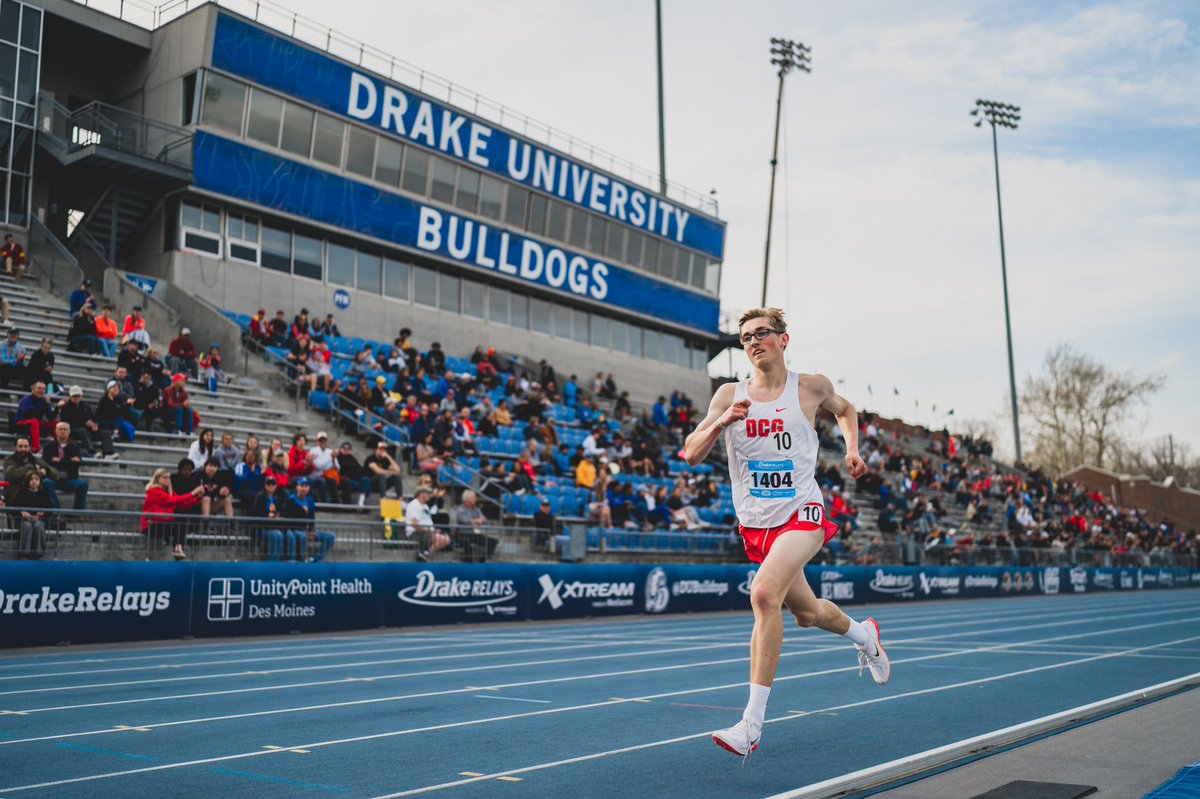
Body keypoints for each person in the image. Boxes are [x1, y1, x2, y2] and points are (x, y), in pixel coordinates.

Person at [682, 307, 889, 759]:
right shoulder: (728, 395)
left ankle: (751, 725)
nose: (753, 342)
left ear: (783, 338)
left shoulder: (809, 386)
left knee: (763, 594)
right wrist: (723, 422)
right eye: (745, 338)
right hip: (756, 523)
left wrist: (852, 449)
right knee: (808, 614)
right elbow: (691, 453)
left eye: (761, 333)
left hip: (802, 511)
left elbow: (847, 409)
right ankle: (864, 635)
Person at [140, 468, 203, 560]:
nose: (167, 480)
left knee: (182, 521)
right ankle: (175, 547)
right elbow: (171, 501)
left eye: (168, 478)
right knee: (178, 524)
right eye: (164, 477)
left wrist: (197, 498)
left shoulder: (170, 492)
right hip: (152, 525)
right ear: (157, 479)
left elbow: (184, 504)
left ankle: (177, 548)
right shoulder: (154, 491)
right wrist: (192, 493)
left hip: (164, 523)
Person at [281, 477, 336, 562]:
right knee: (301, 536)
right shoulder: (291, 500)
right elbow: (288, 518)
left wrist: (311, 531)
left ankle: (314, 560)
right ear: (297, 487)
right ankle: (301, 561)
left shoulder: (310, 501)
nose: (304, 488)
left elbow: (311, 518)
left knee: (330, 537)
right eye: (301, 486)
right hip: (295, 530)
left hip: (307, 530)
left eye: (306, 486)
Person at [60, 385, 116, 459]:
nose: (76, 397)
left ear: (81, 396)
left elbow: (92, 418)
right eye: (74, 396)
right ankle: (92, 452)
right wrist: (85, 422)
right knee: (83, 431)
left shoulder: (86, 406)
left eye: (78, 395)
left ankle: (108, 453)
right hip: (73, 430)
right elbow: (66, 423)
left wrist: (94, 424)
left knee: (105, 433)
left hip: (87, 429)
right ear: (70, 396)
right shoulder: (65, 407)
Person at [41, 422, 88, 510]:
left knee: (83, 484)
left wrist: (58, 460)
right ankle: (57, 510)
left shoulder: (74, 447)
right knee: (46, 482)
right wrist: (69, 461)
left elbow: (76, 464)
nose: (62, 431)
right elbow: (46, 462)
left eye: (65, 429)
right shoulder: (48, 446)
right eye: (60, 429)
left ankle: (78, 513)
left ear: (69, 431)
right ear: (56, 431)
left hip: (69, 479)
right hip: (53, 479)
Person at [4, 436, 59, 508]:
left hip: (36, 496)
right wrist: (31, 467)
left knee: (48, 485)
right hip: (16, 496)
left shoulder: (36, 460)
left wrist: (46, 471)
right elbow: (11, 474)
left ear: (29, 447)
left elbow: (56, 474)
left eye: (26, 446)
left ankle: (58, 516)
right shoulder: (9, 460)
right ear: (15, 447)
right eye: (20, 446)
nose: (23, 449)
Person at [250, 475, 294, 561]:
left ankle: (290, 561)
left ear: (276, 486)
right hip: (262, 528)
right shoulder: (260, 497)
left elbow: (283, 511)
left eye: (273, 483)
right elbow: (255, 513)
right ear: (265, 485)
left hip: (276, 526)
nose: (270, 486)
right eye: (268, 483)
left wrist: (279, 515)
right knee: (276, 535)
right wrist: (267, 516)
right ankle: (273, 562)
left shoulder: (278, 498)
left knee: (290, 535)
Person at [11, 471, 53, 558]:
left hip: (39, 520)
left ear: (40, 481)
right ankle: (24, 553)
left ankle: (39, 552)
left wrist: (43, 513)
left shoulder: (44, 493)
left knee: (39, 525)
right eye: (31, 479)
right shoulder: (21, 493)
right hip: (24, 520)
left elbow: (50, 509)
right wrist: (21, 512)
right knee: (27, 526)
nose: (34, 481)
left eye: (36, 479)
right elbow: (13, 508)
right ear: (27, 481)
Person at [405, 485, 450, 562]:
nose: (430, 495)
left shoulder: (425, 506)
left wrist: (433, 530)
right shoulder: (414, 505)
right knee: (439, 538)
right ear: (421, 494)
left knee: (446, 539)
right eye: (428, 493)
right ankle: (425, 555)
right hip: (415, 533)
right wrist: (429, 530)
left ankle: (426, 555)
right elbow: (415, 525)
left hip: (427, 532)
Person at [14, 380, 59, 452]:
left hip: (35, 425)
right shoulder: (26, 399)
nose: (41, 390)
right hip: (21, 425)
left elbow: (50, 418)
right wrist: (46, 405)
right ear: (33, 389)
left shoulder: (44, 401)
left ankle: (60, 446)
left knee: (56, 424)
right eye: (39, 388)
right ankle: (35, 447)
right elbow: (30, 414)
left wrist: (57, 408)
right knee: (34, 421)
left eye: (43, 389)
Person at [335, 441, 372, 507]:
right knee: (366, 487)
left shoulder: (352, 458)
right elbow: (343, 467)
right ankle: (360, 501)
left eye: (348, 449)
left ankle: (361, 500)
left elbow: (359, 469)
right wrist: (353, 467)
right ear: (341, 449)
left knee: (366, 480)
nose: (346, 450)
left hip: (355, 478)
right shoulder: (338, 457)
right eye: (344, 448)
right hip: (345, 480)